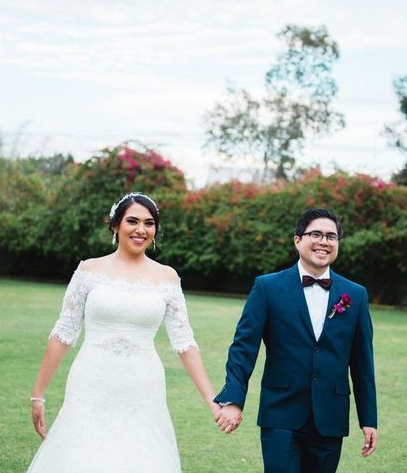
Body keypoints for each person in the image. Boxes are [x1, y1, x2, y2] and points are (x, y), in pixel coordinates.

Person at [27, 192, 220, 472]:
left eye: (149, 223)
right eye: (132, 221)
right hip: (91, 381)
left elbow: (185, 343)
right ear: (116, 226)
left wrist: (211, 400)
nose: (141, 229)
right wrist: (38, 393)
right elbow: (64, 332)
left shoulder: (167, 277)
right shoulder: (89, 270)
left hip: (143, 385)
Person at [213, 208, 378, 473]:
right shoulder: (267, 287)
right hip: (281, 414)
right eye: (316, 234)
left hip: (330, 417)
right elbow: (244, 348)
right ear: (297, 240)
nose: (324, 241)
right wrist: (233, 399)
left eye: (331, 236)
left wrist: (368, 419)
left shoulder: (355, 295)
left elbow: (362, 364)